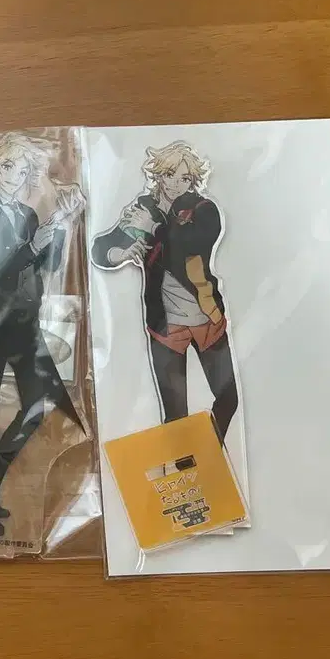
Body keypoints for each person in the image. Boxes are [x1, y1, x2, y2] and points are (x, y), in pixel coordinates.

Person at [0, 134, 86, 538]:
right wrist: (34, 244)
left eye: (25, 168)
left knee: (36, 405)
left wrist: (60, 224)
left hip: (25, 324)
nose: (18, 175)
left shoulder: (30, 215)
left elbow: (48, 265)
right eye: (11, 166)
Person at [91, 141, 239, 442]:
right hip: (165, 327)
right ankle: (187, 467)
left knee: (228, 399)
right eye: (170, 174)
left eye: (184, 178)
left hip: (207, 317)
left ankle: (209, 452)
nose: (175, 183)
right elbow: (101, 248)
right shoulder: (143, 210)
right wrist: (122, 253)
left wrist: (154, 228)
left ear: (193, 181)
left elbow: (193, 245)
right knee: (175, 417)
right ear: (158, 173)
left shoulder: (203, 209)